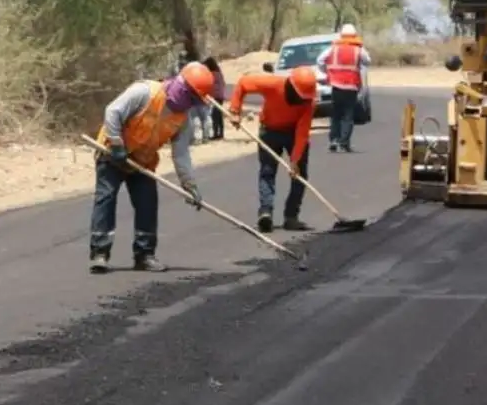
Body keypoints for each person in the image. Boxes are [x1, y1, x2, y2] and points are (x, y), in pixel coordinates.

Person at [89, 62, 212, 273]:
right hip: (112, 154)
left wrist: (189, 184)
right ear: (178, 83)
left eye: (193, 99)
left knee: (148, 204)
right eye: (187, 94)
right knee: (106, 198)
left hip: (142, 162)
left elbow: (181, 154)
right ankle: (100, 253)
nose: (187, 101)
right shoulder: (145, 92)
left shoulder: (182, 119)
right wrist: (117, 144)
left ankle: (144, 255)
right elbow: (113, 112)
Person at [228, 66, 318, 232]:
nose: (300, 101)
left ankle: (291, 217)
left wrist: (295, 160)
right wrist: (235, 110)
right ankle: (266, 213)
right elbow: (242, 84)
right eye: (298, 96)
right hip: (269, 131)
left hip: (293, 133)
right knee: (267, 172)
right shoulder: (273, 83)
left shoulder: (309, 102)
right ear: (290, 86)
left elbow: (302, 133)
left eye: (303, 98)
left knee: (299, 175)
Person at [318, 24, 370, 152]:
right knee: (348, 115)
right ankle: (344, 142)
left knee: (336, 114)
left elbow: (320, 60)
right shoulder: (358, 50)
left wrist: (327, 72)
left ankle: (334, 140)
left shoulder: (333, 48)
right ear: (354, 36)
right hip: (351, 87)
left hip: (336, 86)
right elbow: (368, 61)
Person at [205, 57, 227, 140]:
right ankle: (220, 133)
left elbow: (210, 85)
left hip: (216, 97)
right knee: (219, 115)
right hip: (220, 96)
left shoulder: (213, 74)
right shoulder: (219, 73)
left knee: (215, 115)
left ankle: (216, 134)